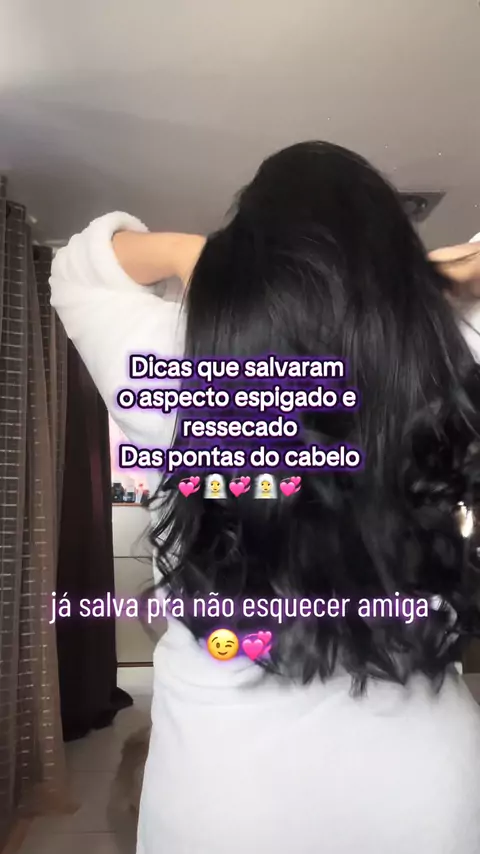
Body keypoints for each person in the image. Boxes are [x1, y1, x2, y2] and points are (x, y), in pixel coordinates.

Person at [50, 141, 480, 854]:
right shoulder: (448, 350)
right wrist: (422, 279)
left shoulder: (175, 353)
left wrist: (196, 257)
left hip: (224, 788)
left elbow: (79, 266)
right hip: (429, 789)